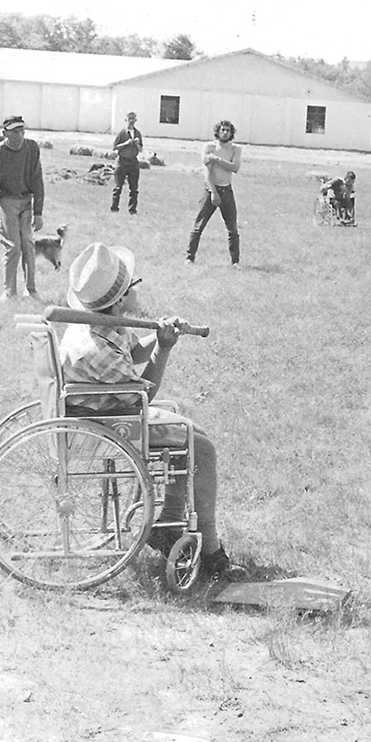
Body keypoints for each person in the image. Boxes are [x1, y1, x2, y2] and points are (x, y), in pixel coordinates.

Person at [59, 242, 233, 580]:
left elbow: (135, 353)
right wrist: (165, 349)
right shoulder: (95, 348)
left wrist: (162, 335)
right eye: (134, 285)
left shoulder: (102, 324)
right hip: (107, 425)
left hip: (108, 413)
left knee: (194, 436)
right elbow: (143, 396)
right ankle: (210, 549)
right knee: (204, 450)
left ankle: (167, 524)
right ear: (122, 299)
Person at [0, 115, 46, 300]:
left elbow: (37, 180)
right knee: (13, 247)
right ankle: (9, 292)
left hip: (26, 201)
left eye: (22, 131)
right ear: (5, 133)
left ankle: (31, 290)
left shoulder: (32, 148)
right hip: (6, 201)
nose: (20, 135)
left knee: (28, 244)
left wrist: (38, 213)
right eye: (15, 131)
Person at [185, 119, 243, 268]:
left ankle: (235, 262)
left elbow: (235, 167)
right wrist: (214, 193)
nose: (225, 132)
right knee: (199, 226)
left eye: (228, 130)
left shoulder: (235, 149)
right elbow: (207, 171)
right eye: (222, 130)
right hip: (210, 189)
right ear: (217, 131)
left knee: (233, 229)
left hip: (227, 190)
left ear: (231, 133)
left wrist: (216, 159)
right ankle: (189, 258)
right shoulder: (209, 147)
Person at [110, 111, 143, 215]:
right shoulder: (122, 133)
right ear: (126, 120)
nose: (132, 121)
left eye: (133, 119)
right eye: (130, 119)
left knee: (134, 188)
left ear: (136, 120)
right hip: (122, 161)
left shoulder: (137, 133)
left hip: (133, 162)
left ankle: (132, 210)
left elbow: (141, 149)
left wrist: (137, 144)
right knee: (118, 187)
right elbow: (115, 147)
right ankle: (114, 208)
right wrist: (126, 143)